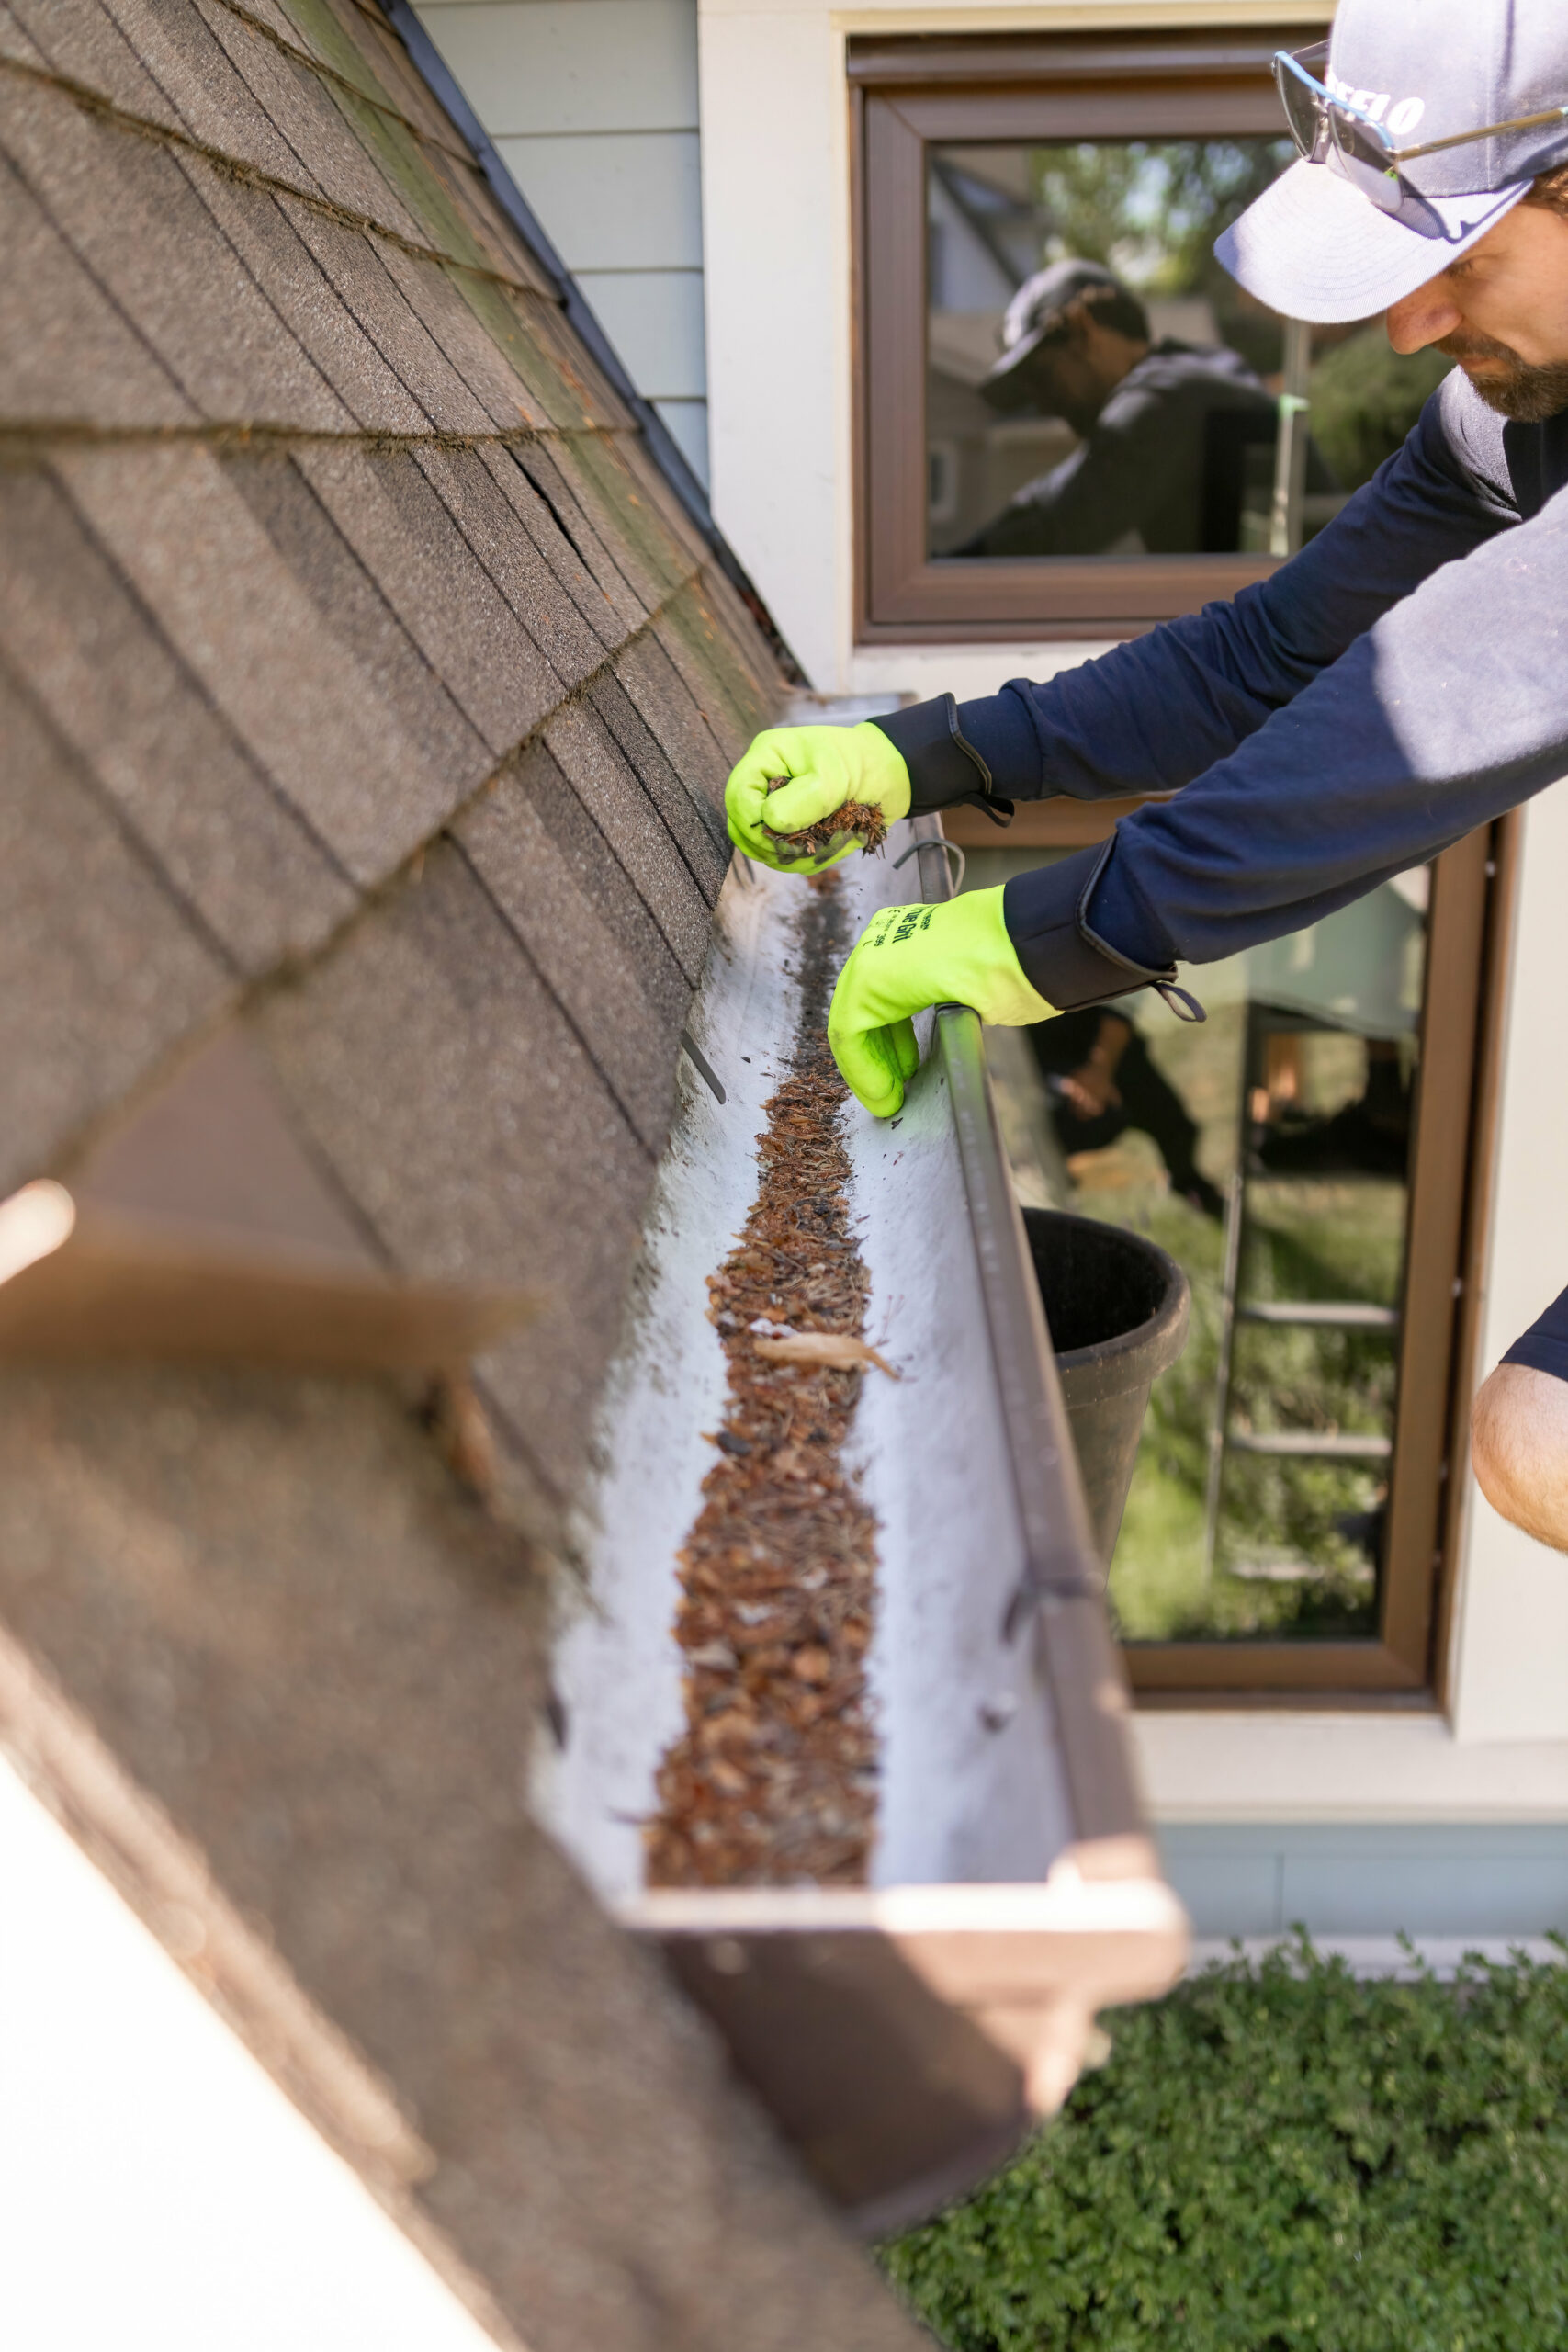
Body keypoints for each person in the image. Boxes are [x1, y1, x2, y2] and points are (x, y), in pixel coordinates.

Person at [723, 0, 1568, 1551]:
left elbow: (1424, 709)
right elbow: (1273, 654)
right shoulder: (1510, 421)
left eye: (1453, 265)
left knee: (1535, 1440)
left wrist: (1031, 945)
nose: (1406, 329)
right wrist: (926, 757)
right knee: (1546, 1443)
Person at [955, 260, 1320, 559]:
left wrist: (942, 573)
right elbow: (1051, 495)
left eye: (1042, 375)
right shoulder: (1195, 370)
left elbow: (1059, 524)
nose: (1041, 400)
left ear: (1084, 326)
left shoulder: (1163, 400)